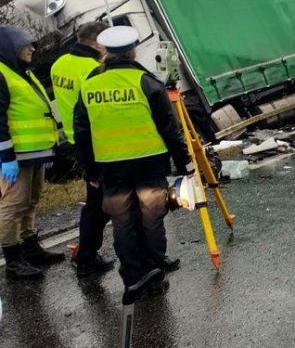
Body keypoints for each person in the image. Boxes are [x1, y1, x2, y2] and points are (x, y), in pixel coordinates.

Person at [73, 26, 193, 303]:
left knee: (122, 223)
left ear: (105, 52)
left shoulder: (90, 85)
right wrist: (185, 163)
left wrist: (89, 170)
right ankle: (153, 271)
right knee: (151, 221)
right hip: (148, 165)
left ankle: (133, 279)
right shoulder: (147, 82)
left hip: (110, 169)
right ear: (133, 50)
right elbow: (169, 128)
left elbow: (81, 131)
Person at [50, 21, 115, 278]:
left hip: (77, 141)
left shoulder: (59, 64)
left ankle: (87, 254)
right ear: (97, 40)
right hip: (97, 141)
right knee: (101, 204)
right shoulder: (93, 69)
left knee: (96, 202)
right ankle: (87, 258)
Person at [0, 24, 64, 280]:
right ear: (9, 48)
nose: (32, 49)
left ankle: (30, 247)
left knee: (31, 201)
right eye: (26, 45)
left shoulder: (24, 72)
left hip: (34, 153)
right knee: (13, 205)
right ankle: (13, 260)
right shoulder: (3, 75)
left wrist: (49, 148)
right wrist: (6, 158)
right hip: (15, 157)